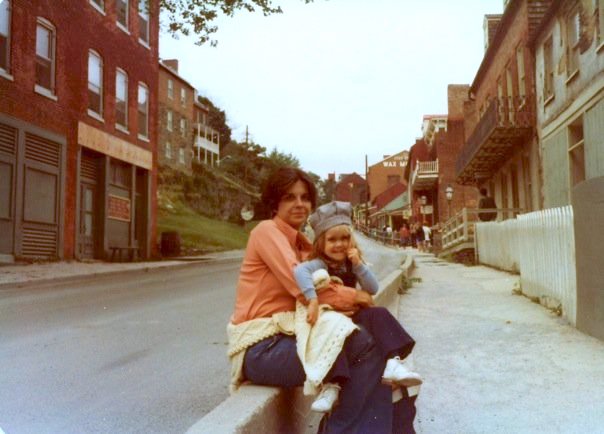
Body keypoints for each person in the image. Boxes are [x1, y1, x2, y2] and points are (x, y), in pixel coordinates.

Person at [227, 167, 417, 433]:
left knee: (374, 331)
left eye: (305, 198)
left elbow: (327, 286)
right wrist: (358, 296)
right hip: (262, 348)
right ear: (274, 202)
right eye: (289, 197)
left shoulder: (303, 244)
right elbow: (305, 289)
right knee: (362, 345)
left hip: (292, 336)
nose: (299, 204)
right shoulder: (266, 232)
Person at [294, 201, 422, 414]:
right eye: (332, 240)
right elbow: (300, 272)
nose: (339, 245)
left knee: (378, 314)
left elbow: (372, 288)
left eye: (344, 238)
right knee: (338, 337)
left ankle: (393, 362)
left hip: (353, 313)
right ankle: (331, 386)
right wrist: (313, 298)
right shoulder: (320, 263)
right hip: (332, 317)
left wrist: (358, 265)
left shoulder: (351, 262)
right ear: (320, 243)